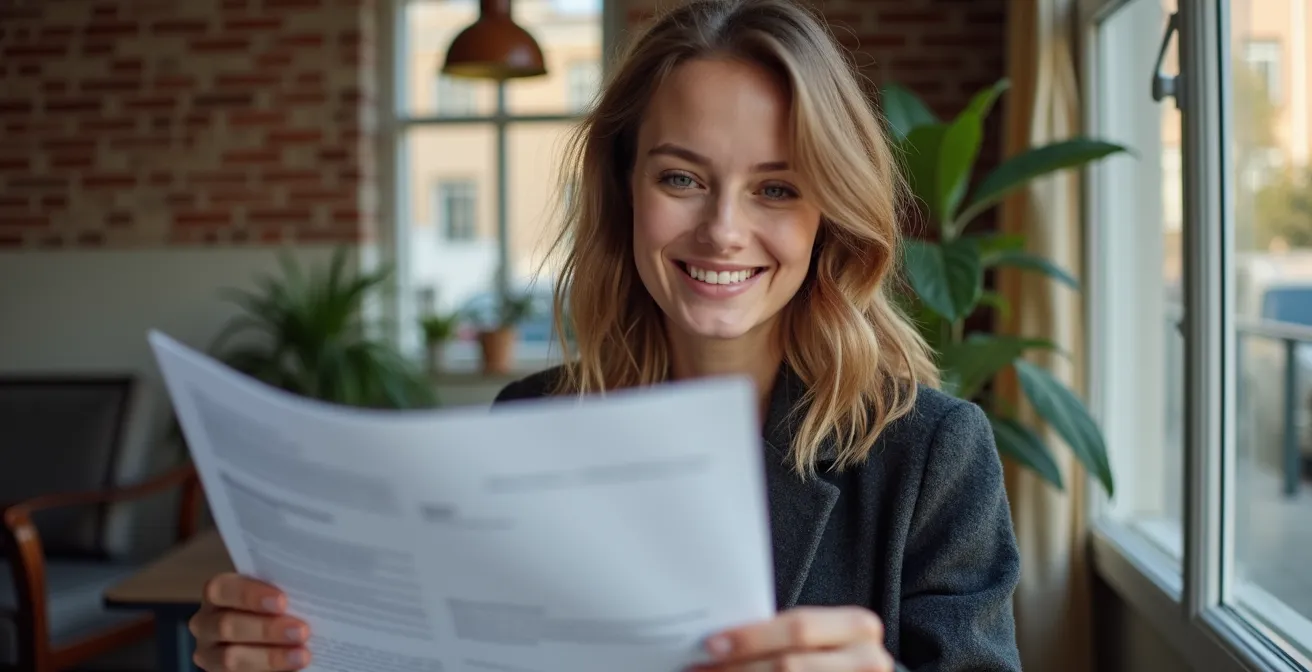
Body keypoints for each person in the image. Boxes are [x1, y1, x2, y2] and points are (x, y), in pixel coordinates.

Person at [187, 0, 1023, 669]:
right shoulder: (529, 419)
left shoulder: (933, 457)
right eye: (682, 178)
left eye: (777, 188)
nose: (723, 231)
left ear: (828, 215)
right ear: (624, 189)